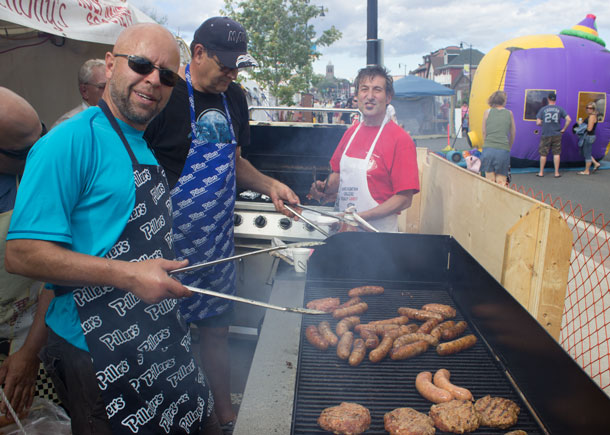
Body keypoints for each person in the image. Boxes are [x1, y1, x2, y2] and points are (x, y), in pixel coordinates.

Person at [5, 24, 221, 434]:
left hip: (162, 342)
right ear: (110, 64)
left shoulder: (141, 143)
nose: (153, 80)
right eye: (141, 64)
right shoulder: (69, 142)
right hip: (98, 356)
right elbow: (23, 252)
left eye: (167, 75)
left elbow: (81, 250)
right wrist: (127, 274)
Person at [144, 17, 298, 434]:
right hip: (164, 244)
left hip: (215, 241)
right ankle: (174, 419)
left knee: (216, 331)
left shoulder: (236, 99)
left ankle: (225, 415)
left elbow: (232, 160)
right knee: (165, 338)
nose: (232, 72)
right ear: (197, 53)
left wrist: (269, 185)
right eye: (225, 63)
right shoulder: (165, 97)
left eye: (237, 65)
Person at [308, 65, 420, 232]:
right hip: (344, 232)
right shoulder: (350, 133)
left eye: (377, 90)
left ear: (388, 97)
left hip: (379, 236)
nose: (370, 96)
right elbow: (340, 175)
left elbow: (404, 198)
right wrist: (323, 188)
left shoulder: (400, 140)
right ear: (357, 95)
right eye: (364, 89)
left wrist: (360, 218)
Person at [0, 87, 52, 419]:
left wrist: (30, 351)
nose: (37, 156)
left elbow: (57, 277)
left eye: (42, 140)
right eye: (24, 152)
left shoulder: (40, 177)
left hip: (33, 334)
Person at [51, 59, 106, 128]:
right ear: (84, 91)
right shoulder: (67, 123)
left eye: (111, 86)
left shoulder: (116, 119)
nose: (109, 92)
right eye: (103, 87)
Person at [481, 91, 515, 186]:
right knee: (501, 182)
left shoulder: (486, 113)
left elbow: (484, 132)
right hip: (503, 149)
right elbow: (512, 133)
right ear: (504, 101)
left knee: (489, 181)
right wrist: (509, 146)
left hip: (488, 148)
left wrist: (486, 145)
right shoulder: (509, 113)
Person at [536, 92, 571, 178]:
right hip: (557, 134)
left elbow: (538, 122)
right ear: (555, 100)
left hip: (546, 134)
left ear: (548, 99)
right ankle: (556, 173)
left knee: (543, 154)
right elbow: (569, 119)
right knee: (556, 153)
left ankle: (541, 172)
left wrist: (543, 124)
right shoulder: (560, 109)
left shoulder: (543, 109)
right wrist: (563, 129)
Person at [576, 102, 601, 175]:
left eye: (590, 108)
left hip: (588, 136)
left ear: (594, 109)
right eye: (587, 108)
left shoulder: (592, 117)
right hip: (589, 136)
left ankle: (586, 171)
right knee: (586, 152)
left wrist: (581, 125)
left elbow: (589, 128)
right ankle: (596, 163)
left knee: (587, 154)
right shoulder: (592, 116)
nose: (588, 109)